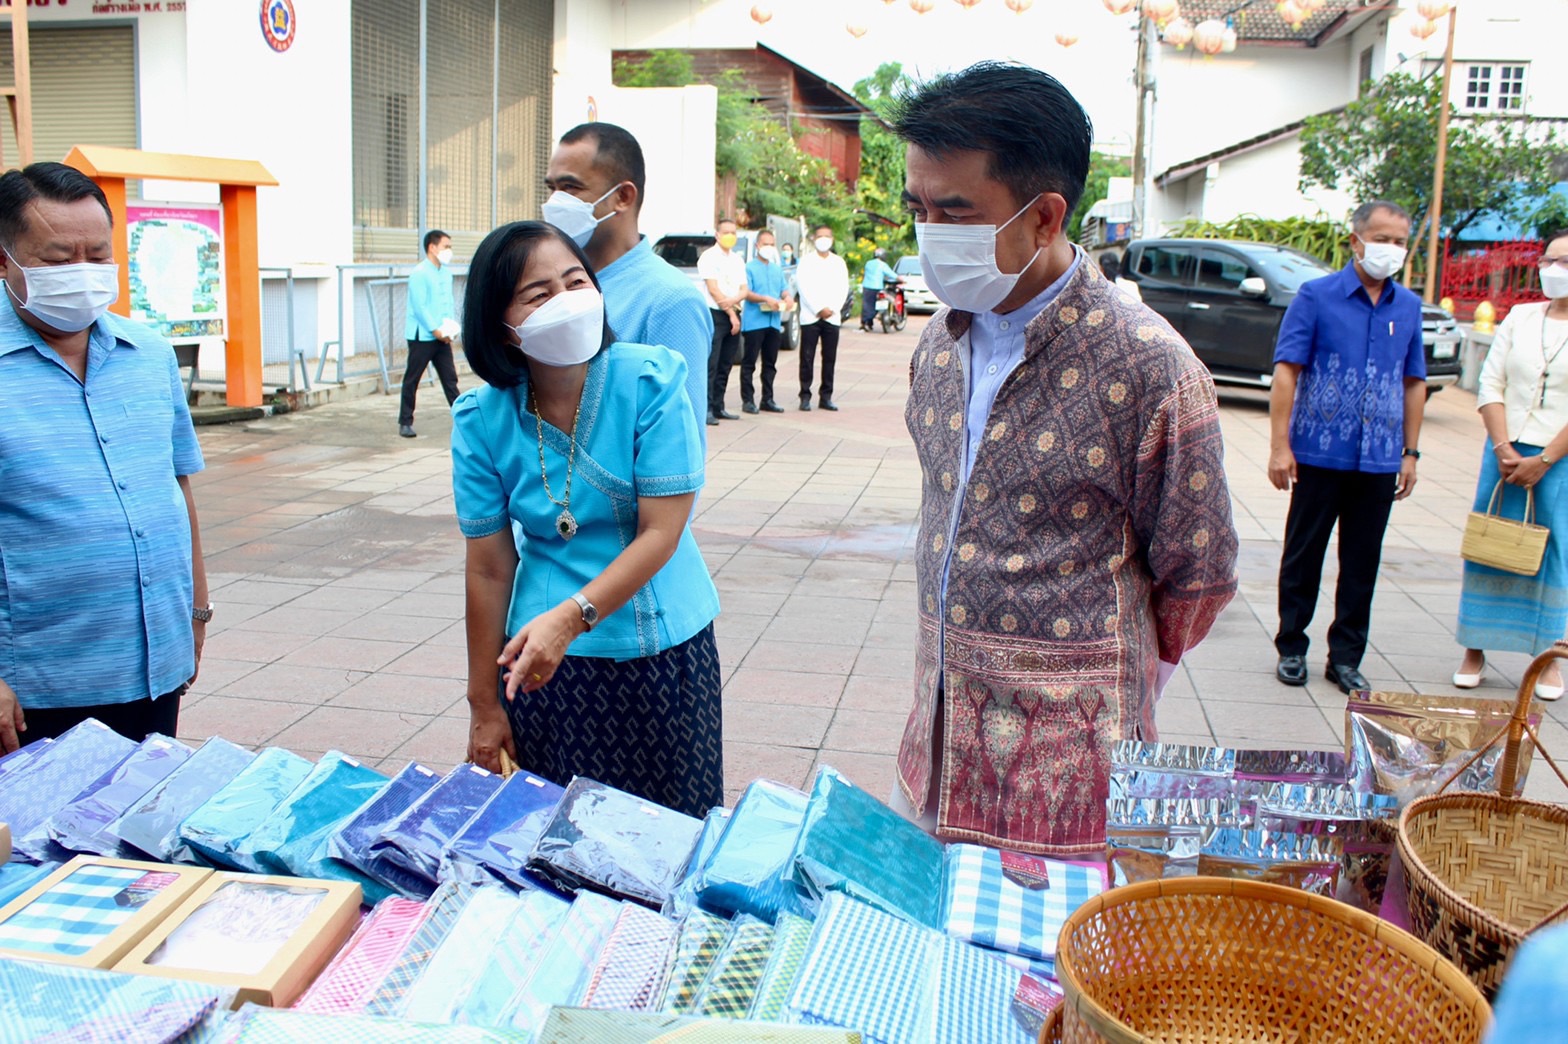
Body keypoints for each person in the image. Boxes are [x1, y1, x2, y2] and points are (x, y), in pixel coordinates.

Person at [891, 63, 1238, 857]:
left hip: (1069, 775)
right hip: (937, 747)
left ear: (1045, 217)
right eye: (918, 207)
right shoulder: (938, 346)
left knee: (1049, 977)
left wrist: (1114, 682)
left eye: (955, 211)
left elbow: (1201, 570)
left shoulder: (1150, 368)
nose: (930, 232)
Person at [454, 220, 722, 817]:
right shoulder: (480, 417)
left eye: (577, 281)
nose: (567, 301)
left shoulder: (650, 379)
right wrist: (484, 706)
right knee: (554, 849)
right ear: (501, 325)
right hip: (545, 668)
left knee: (669, 842)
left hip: (659, 656)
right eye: (539, 294)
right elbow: (490, 568)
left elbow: (662, 532)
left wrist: (573, 619)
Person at [0, 162, 210, 753]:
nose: (82, 273)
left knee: (130, 831)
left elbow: (177, 488)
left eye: (97, 254)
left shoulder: (148, 353)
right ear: (4, 261)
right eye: (58, 258)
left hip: (152, 666)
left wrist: (195, 615)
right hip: (36, 686)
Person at [1269, 200, 1426, 695]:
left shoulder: (1409, 307)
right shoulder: (1316, 297)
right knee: (1304, 554)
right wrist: (1279, 446)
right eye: (1382, 239)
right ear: (1355, 240)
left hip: (1379, 459)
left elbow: (1414, 382)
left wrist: (1410, 452)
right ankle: (1292, 646)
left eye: (1400, 242)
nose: (1391, 250)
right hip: (1319, 453)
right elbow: (1286, 371)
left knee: (1362, 562)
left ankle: (1346, 658)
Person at [543, 122, 712, 448]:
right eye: (550, 187)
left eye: (570, 188)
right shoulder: (553, 285)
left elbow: (679, 452)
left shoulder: (669, 300)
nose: (554, 202)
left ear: (622, 196)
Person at [1452, 230, 1568, 701]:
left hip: (1558, 457)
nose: (1554, 269)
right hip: (1504, 450)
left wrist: (1545, 459)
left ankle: (1548, 655)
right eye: (1549, 259)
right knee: (1490, 543)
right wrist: (1503, 447)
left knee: (1552, 553)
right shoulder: (1519, 317)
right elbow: (1489, 384)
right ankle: (1475, 648)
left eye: (1566, 261)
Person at [399, 229, 461, 438]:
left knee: (450, 379)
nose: (449, 251)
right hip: (423, 337)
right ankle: (405, 421)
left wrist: (450, 329)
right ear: (432, 247)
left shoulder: (446, 273)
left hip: (442, 336)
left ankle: (463, 421)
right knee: (412, 379)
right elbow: (420, 307)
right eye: (446, 247)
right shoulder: (419, 273)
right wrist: (435, 330)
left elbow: (448, 304)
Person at [698, 217, 748, 425]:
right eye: (726, 232)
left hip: (734, 312)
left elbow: (744, 289)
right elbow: (713, 290)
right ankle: (707, 408)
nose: (730, 236)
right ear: (717, 235)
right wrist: (731, 313)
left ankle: (719, 406)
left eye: (733, 233)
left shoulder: (737, 259)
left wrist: (734, 303)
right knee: (712, 363)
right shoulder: (708, 257)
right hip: (717, 315)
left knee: (726, 363)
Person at [796, 224, 849, 411]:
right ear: (814, 238)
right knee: (807, 357)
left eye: (827, 236)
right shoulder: (806, 262)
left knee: (829, 358)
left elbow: (843, 288)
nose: (823, 239)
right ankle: (804, 395)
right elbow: (803, 287)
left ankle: (826, 396)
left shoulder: (838, 262)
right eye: (820, 236)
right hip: (811, 316)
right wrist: (819, 308)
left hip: (832, 317)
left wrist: (832, 308)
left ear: (832, 240)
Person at [739, 228, 792, 414]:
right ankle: (747, 400)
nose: (768, 248)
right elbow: (747, 293)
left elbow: (783, 289)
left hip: (773, 322)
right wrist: (765, 298)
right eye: (765, 244)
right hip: (755, 322)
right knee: (750, 362)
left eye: (771, 244)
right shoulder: (749, 268)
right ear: (757, 246)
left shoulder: (777, 269)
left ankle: (767, 399)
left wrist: (787, 297)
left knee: (770, 363)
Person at [860, 247, 899, 331]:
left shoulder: (868, 263)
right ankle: (871, 320)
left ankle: (866, 323)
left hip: (866, 287)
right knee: (874, 305)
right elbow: (891, 274)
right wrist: (900, 279)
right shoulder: (882, 265)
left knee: (867, 305)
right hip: (877, 287)